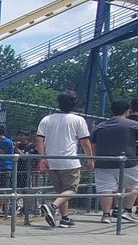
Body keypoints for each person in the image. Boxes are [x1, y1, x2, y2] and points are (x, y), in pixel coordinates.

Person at [89, 100, 138, 223]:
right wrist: (136, 143)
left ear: (112, 111)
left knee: (105, 188)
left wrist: (94, 158)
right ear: (127, 111)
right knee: (132, 186)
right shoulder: (133, 125)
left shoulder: (100, 126)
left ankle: (106, 215)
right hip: (127, 161)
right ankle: (127, 211)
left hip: (104, 161)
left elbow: (93, 143)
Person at [35, 90, 94, 228]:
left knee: (62, 192)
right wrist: (90, 159)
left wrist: (42, 158)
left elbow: (39, 140)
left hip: (51, 160)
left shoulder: (46, 119)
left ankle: (65, 218)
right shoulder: (78, 120)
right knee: (71, 189)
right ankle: (53, 206)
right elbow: (85, 142)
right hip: (69, 160)